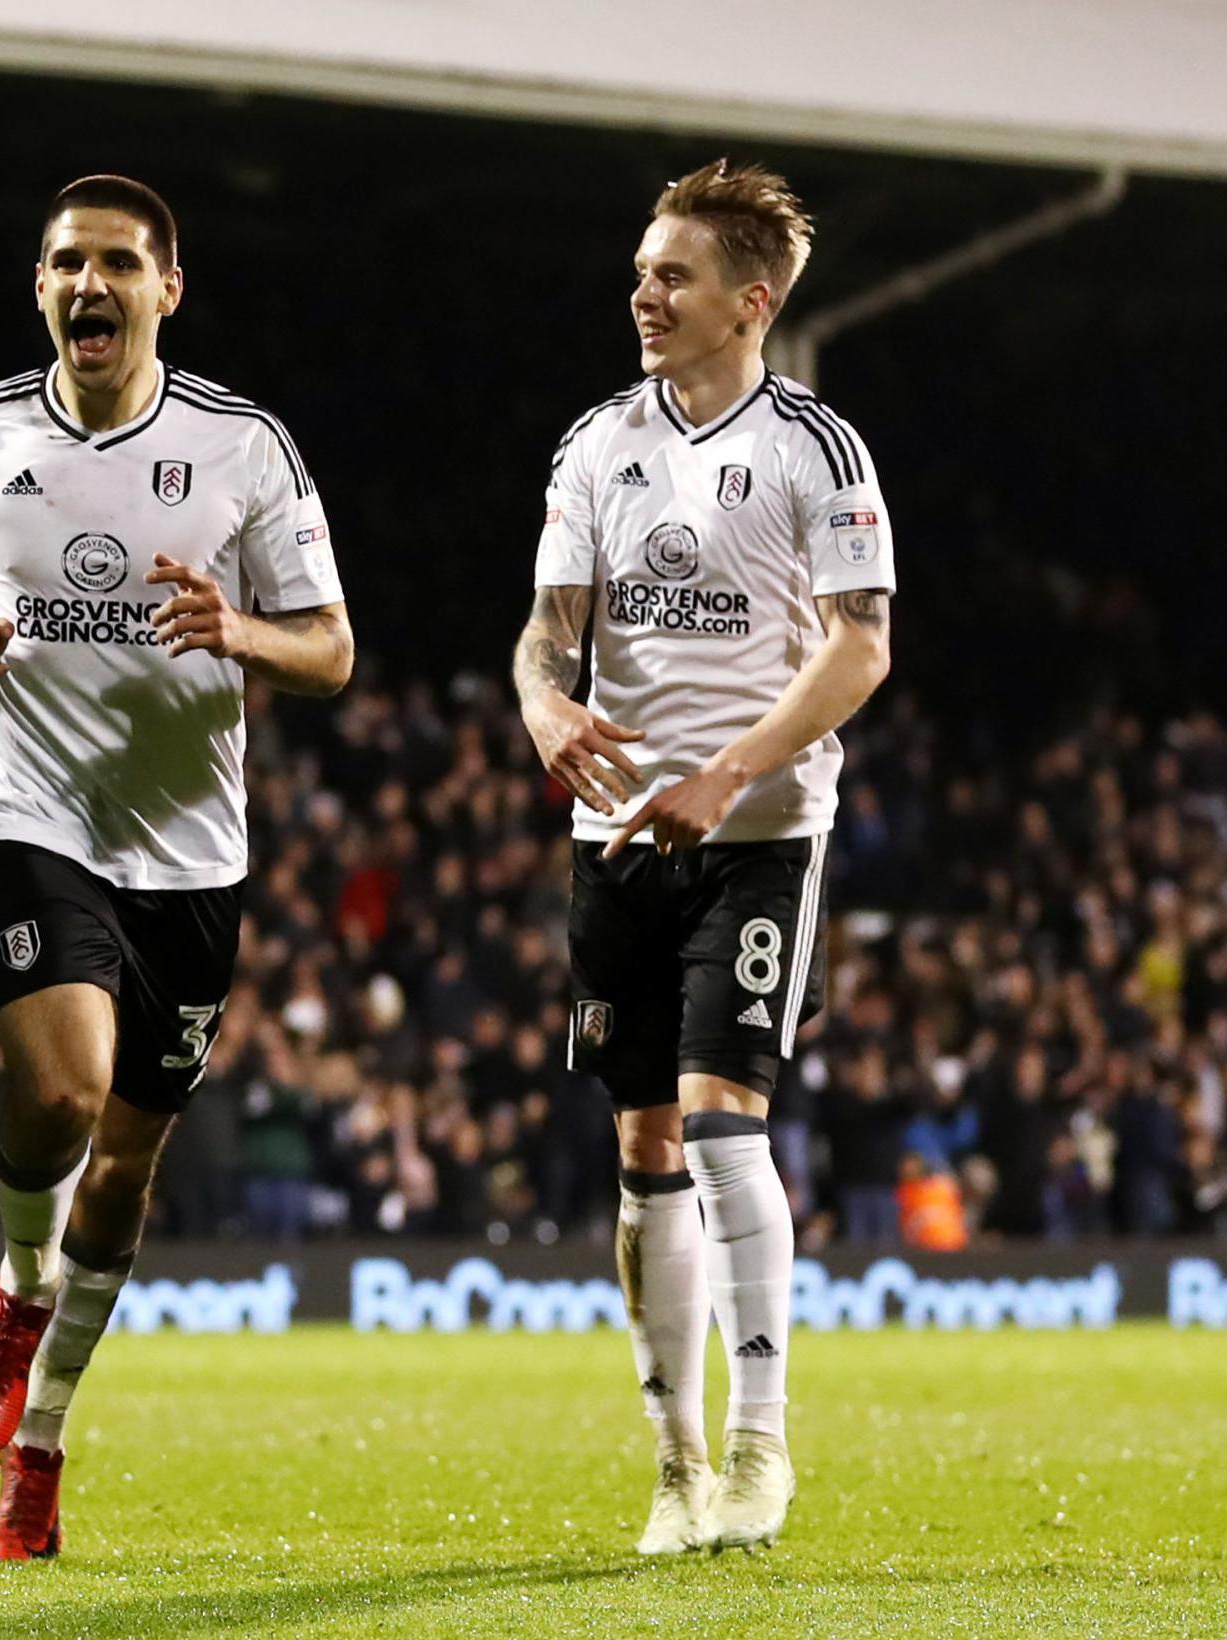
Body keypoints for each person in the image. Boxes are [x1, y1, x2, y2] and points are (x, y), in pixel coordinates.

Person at [0, 175, 354, 1562]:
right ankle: (21, 1283)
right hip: (32, 811)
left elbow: (330, 649)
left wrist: (240, 632)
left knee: (128, 1164)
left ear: (167, 290)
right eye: (68, 262)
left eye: (120, 264)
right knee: (63, 1089)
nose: (92, 283)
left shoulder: (242, 446)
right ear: (40, 287)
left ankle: (39, 1445)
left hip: (191, 851)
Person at [511, 161, 895, 1554]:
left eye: (672, 275)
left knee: (727, 1120)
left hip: (758, 835)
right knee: (644, 1146)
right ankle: (675, 1464)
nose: (644, 294)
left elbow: (861, 647)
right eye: (640, 271)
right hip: (616, 840)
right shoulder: (595, 443)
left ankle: (758, 1447)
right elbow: (548, 632)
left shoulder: (817, 450)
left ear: (753, 301)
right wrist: (545, 705)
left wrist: (725, 774)